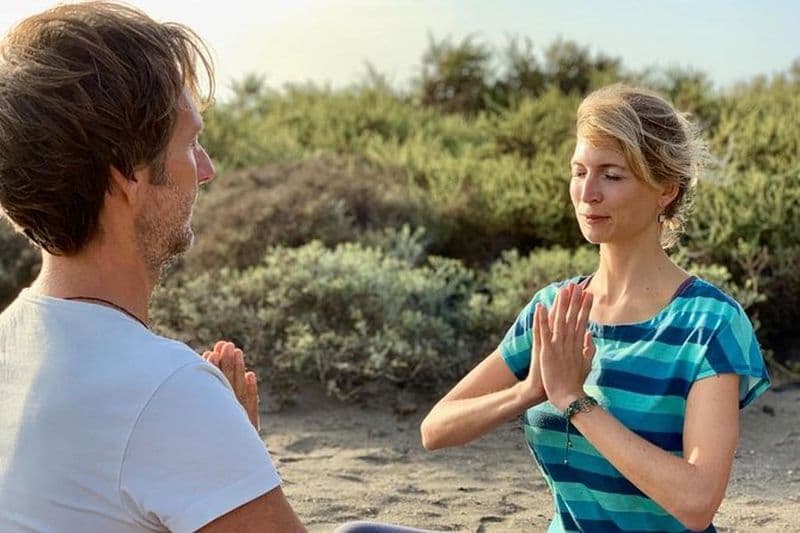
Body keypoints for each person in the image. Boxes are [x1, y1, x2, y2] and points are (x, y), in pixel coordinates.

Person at [0, 2, 305, 531]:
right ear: (125, 175)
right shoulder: (167, 390)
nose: (206, 170)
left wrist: (224, 465)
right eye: (190, 143)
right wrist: (218, 441)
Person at [420, 84, 770, 532]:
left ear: (665, 189)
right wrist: (529, 391)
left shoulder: (710, 325)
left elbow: (697, 501)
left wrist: (574, 400)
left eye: (612, 175)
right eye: (579, 171)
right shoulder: (554, 309)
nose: (588, 193)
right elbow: (436, 429)